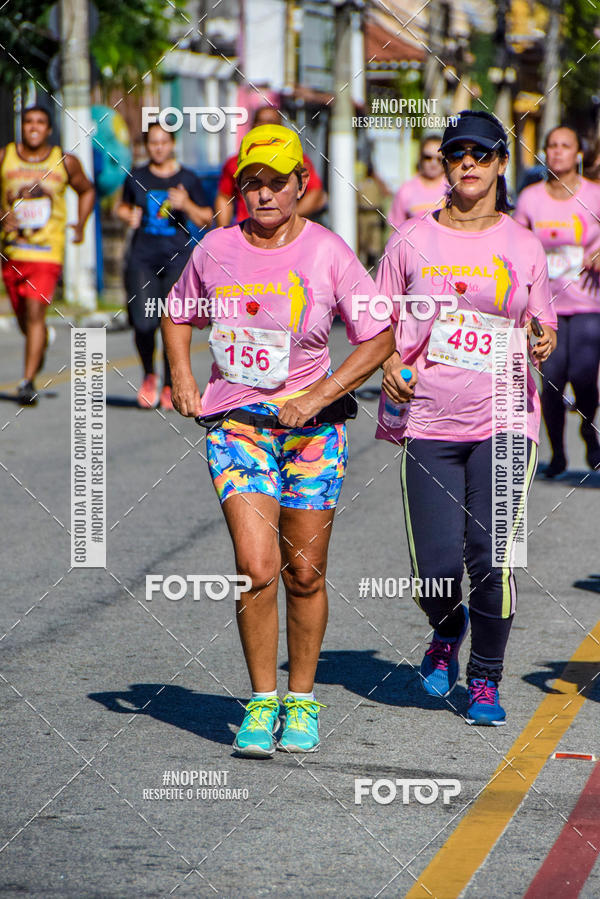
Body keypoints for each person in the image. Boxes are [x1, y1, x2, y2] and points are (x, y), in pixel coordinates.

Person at [162, 123, 393, 757]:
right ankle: (261, 702)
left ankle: (302, 698)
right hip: (238, 426)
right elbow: (178, 312)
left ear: (300, 185)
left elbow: (379, 334)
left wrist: (318, 396)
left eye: (275, 183)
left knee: (304, 572)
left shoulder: (327, 253)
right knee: (256, 567)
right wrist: (183, 376)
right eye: (251, 184)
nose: (263, 195)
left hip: (314, 434)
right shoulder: (215, 250)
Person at [376, 110, 557, 725]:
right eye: (458, 154)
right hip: (428, 417)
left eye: (482, 153)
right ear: (446, 165)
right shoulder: (410, 238)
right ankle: (445, 632)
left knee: (491, 550)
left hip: (506, 415)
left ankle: (485, 678)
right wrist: (386, 367)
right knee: (436, 568)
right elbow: (378, 324)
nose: (469, 163)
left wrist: (541, 340)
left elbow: (544, 321)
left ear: (502, 163)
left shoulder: (522, 243)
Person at [514, 125, 600, 475]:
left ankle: (587, 426)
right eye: (551, 145)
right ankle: (559, 454)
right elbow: (515, 243)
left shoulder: (594, 194)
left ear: (577, 154)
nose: (557, 151)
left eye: (565, 145)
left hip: (588, 301)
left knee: (582, 374)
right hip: (543, 305)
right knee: (551, 378)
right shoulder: (531, 198)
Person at [0, 105, 95, 405]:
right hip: (12, 251)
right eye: (28, 121)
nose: (34, 127)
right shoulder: (5, 157)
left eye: (41, 122)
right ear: (22, 125)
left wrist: (80, 224)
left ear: (49, 129)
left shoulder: (65, 161)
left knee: (35, 312)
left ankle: (27, 382)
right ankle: (39, 342)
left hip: (47, 252)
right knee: (24, 318)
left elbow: (87, 190)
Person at [117, 123, 212, 410]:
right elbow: (122, 206)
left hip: (177, 261)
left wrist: (186, 204)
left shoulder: (188, 178)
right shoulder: (137, 176)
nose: (158, 147)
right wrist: (127, 215)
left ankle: (172, 383)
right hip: (142, 258)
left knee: (173, 321)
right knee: (144, 322)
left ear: (172, 144)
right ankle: (149, 374)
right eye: (153, 143)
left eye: (163, 142)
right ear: (147, 146)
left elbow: (208, 218)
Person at [214, 106, 327, 226]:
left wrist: (287, 220)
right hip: (245, 231)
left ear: (281, 126)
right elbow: (224, 197)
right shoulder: (235, 162)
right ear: (252, 125)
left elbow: (317, 195)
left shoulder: (296, 160)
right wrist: (224, 232)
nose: (264, 195)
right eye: (260, 121)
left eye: (271, 122)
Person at [388, 134, 447, 230]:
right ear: (420, 157)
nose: (433, 163)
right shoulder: (406, 190)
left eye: (439, 158)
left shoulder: (452, 188)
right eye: (428, 157)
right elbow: (396, 229)